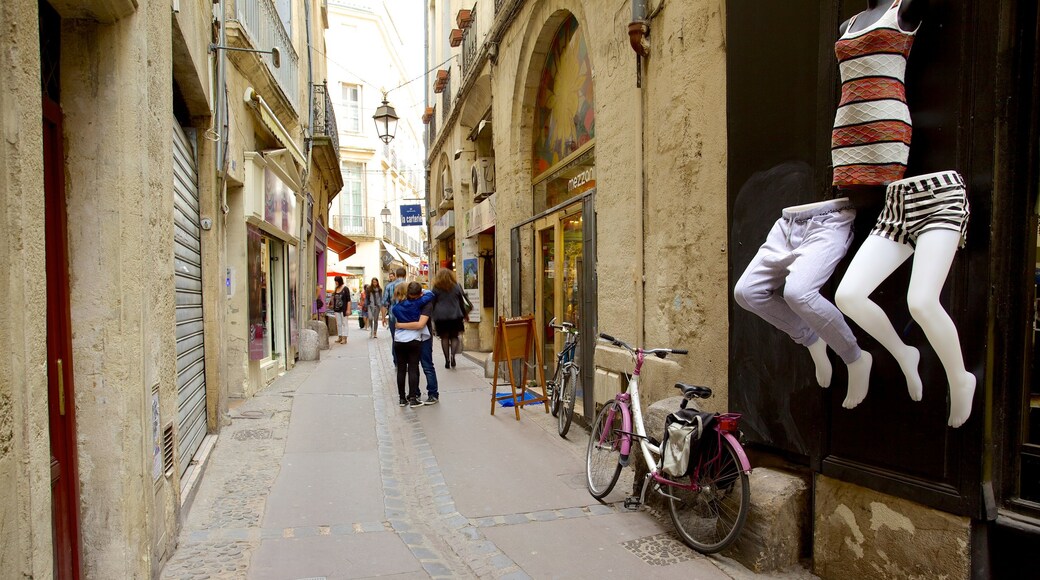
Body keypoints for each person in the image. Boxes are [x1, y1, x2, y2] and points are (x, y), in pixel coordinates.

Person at [391, 282, 435, 408]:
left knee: (401, 370)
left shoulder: (395, 309)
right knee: (413, 369)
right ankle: (413, 398)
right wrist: (423, 292)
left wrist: (400, 325)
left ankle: (401, 398)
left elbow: (397, 322)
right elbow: (430, 295)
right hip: (413, 340)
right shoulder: (416, 303)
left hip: (399, 340)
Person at [431, 269, 466, 369]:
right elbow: (461, 302)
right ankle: (453, 355)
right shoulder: (457, 286)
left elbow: (432, 302)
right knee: (455, 337)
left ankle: (447, 359)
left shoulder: (436, 288)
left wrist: (431, 315)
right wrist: (464, 314)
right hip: (455, 315)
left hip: (441, 316)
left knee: (444, 338)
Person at [381, 268, 406, 365]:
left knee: (395, 338)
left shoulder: (389, 286)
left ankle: (397, 361)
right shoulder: (410, 285)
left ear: (395, 275)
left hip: (393, 316)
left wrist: (383, 318)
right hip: (407, 317)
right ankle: (405, 361)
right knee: (407, 338)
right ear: (405, 275)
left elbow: (384, 303)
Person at [331, 276, 351, 344]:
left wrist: (348, 309)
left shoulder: (345, 289)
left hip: (343, 309)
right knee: (338, 324)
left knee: (344, 323)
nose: (336, 283)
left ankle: (344, 338)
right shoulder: (336, 289)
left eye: (337, 281)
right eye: (335, 282)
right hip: (337, 309)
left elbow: (348, 300)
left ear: (340, 281)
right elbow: (334, 298)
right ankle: (340, 337)